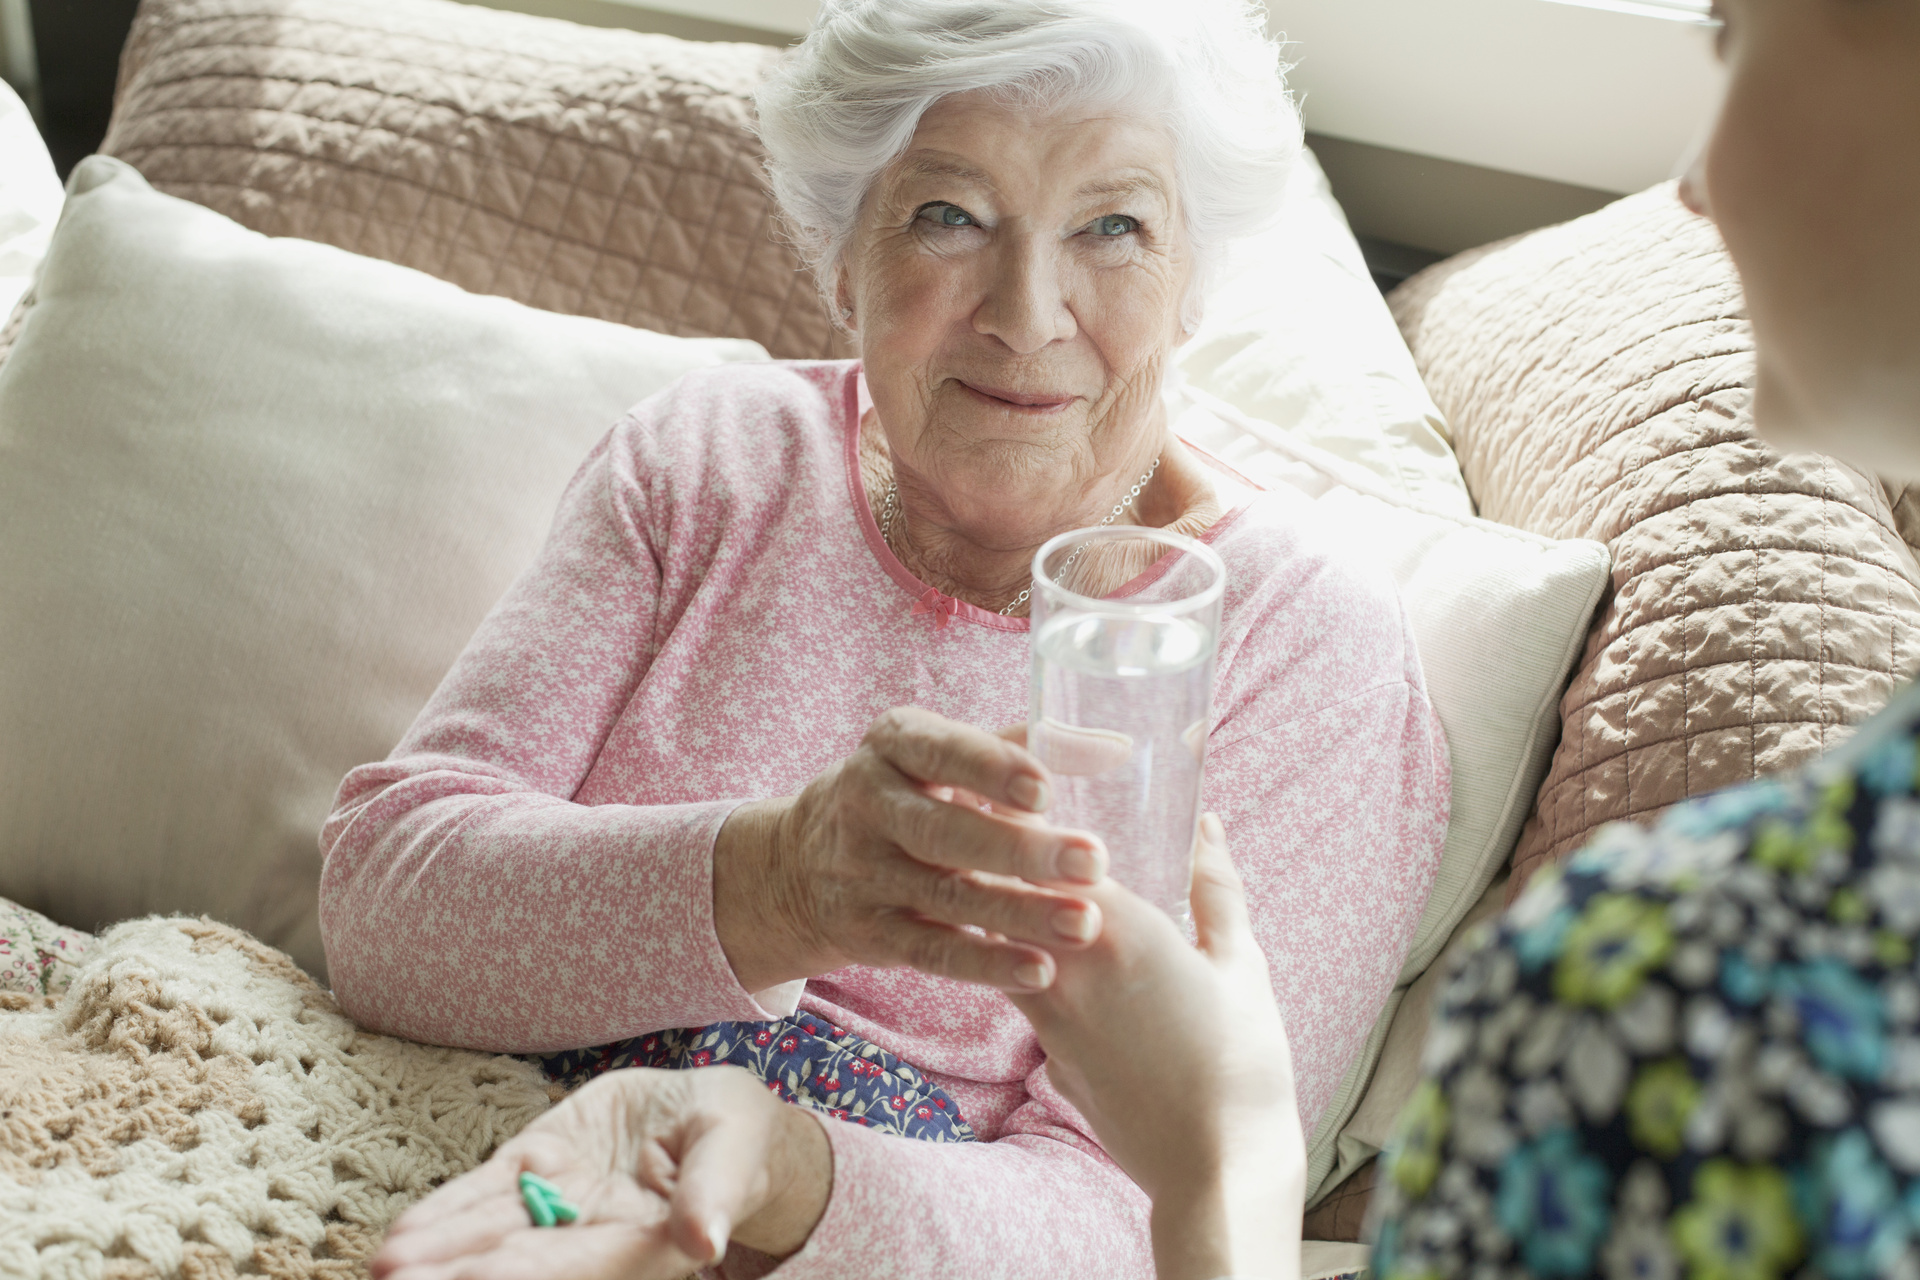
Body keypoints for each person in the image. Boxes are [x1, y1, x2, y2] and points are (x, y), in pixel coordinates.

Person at [344, 1, 1451, 1277]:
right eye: (950, 215)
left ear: (1190, 281)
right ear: (842, 258)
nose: (1028, 313)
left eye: (1114, 226)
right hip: (443, 1160)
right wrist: (781, 881)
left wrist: (765, 1161)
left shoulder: (1295, 644)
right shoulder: (715, 457)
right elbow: (383, 904)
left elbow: (1150, 1218)